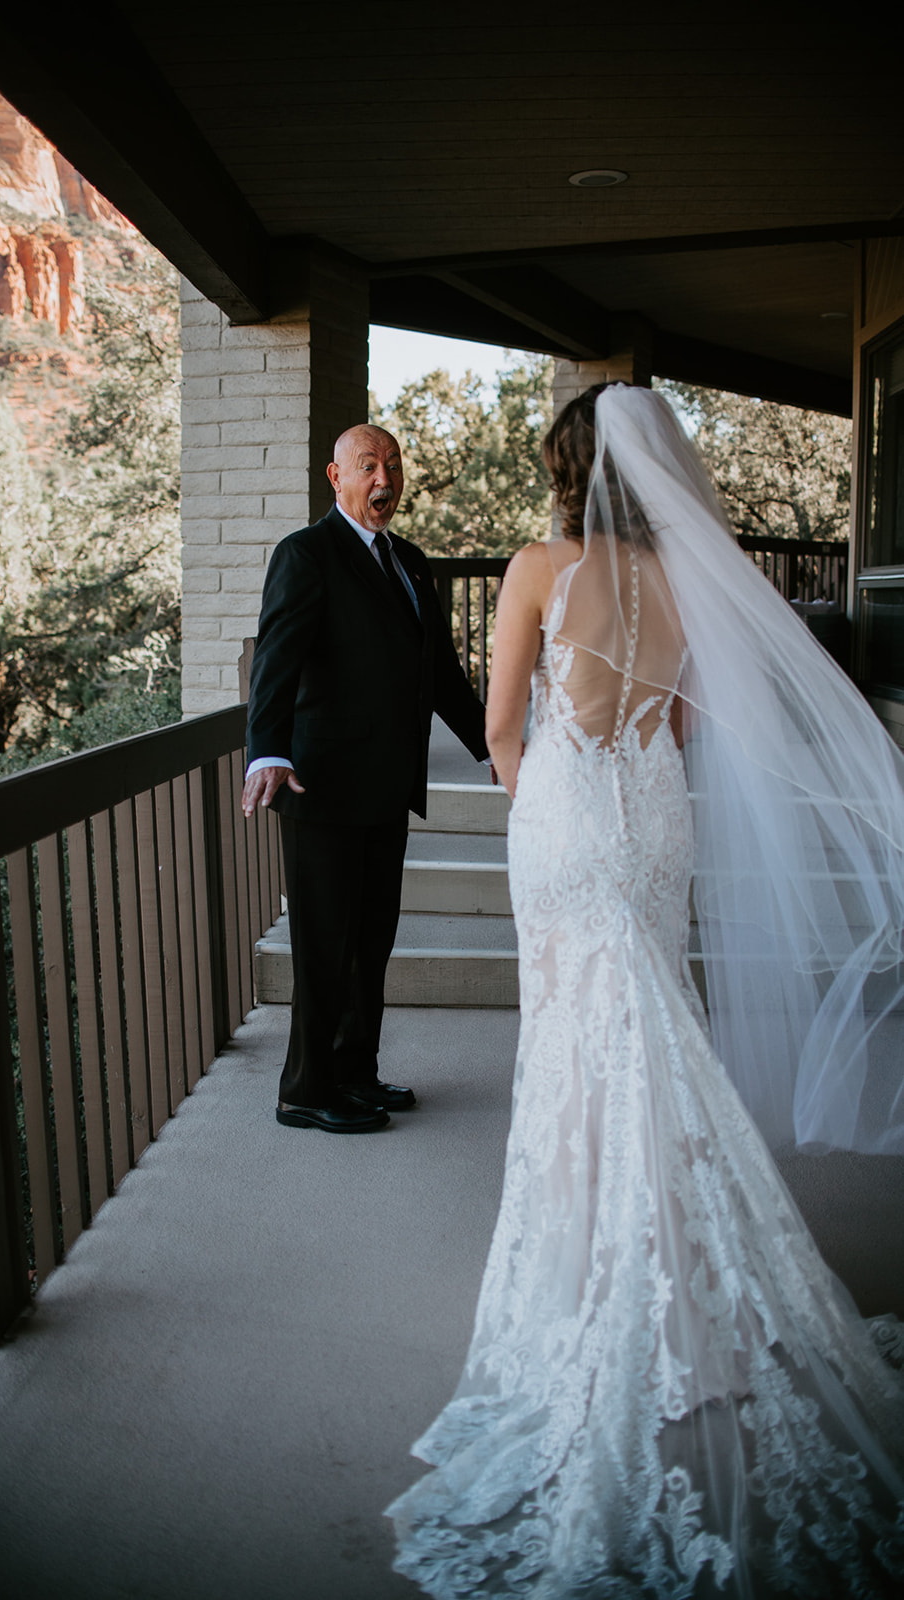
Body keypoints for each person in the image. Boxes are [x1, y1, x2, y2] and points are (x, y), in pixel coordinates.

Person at [387, 383, 904, 1595]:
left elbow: (503, 722)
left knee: (580, 1039)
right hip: (652, 816)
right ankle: (686, 1258)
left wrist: (543, 802)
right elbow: (677, 721)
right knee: (656, 1022)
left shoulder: (534, 566)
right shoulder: (689, 583)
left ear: (568, 470)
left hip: (567, 817)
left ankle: (591, 1274)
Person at [242, 423, 489, 1134]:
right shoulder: (306, 554)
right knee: (324, 945)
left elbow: (439, 670)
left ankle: (355, 1071)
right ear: (336, 478)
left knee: (371, 940)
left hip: (386, 787)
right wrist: (268, 751)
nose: (384, 480)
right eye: (368, 467)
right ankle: (304, 1089)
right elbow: (275, 664)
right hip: (320, 788)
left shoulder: (410, 562)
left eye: (393, 465)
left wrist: (493, 747)